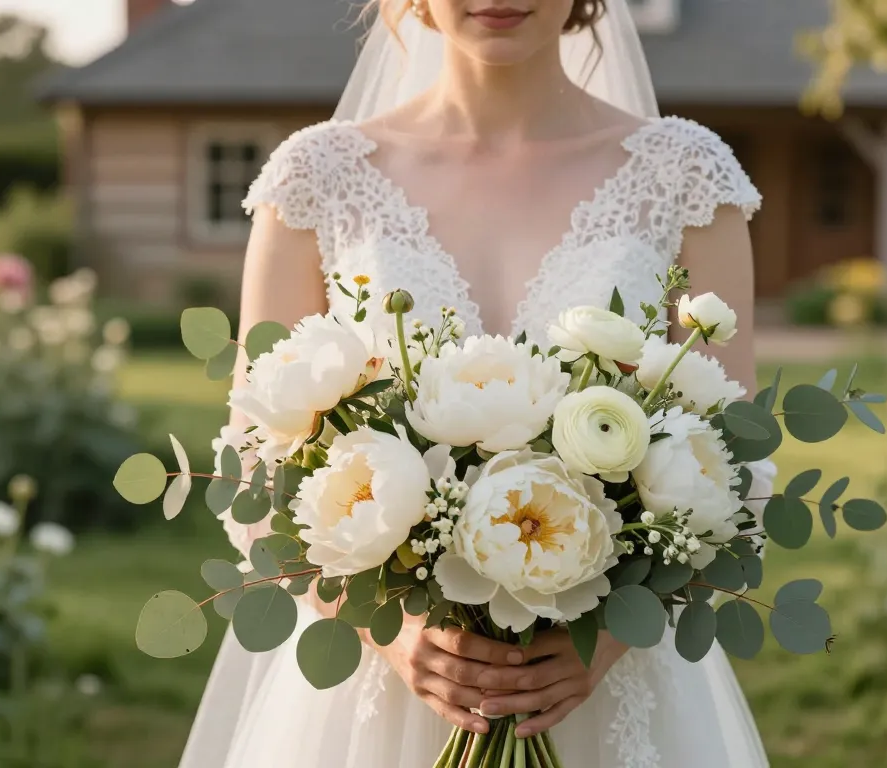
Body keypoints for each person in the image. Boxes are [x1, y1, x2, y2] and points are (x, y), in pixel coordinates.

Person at [179, 1, 771, 765]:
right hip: (382, 693)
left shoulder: (686, 177)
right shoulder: (315, 180)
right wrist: (388, 633)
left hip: (606, 686)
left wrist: (610, 638)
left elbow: (735, 464)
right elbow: (255, 469)